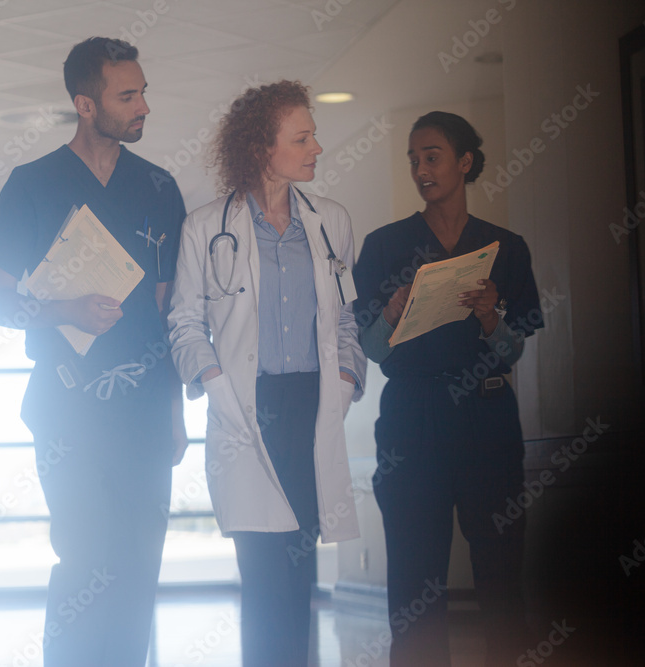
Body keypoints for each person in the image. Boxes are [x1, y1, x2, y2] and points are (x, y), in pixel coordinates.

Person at [0, 37, 187, 666]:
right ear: (86, 105)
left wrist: (176, 412)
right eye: (129, 95)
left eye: (144, 91)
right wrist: (65, 310)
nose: (144, 104)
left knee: (141, 555)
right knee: (85, 553)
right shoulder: (31, 185)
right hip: (66, 405)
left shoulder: (158, 188)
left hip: (147, 406)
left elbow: (168, 310)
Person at [168, 80, 366, 667]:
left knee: (299, 569)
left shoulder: (330, 222)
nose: (316, 148)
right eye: (301, 138)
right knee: (260, 574)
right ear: (261, 148)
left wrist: (348, 381)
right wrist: (211, 382)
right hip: (244, 410)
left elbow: (347, 320)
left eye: (313, 135)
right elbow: (183, 323)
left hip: (311, 406)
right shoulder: (206, 228)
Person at [352, 111, 542, 666]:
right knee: (415, 576)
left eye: (431, 156)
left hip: (487, 414)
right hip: (411, 417)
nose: (420, 168)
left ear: (464, 162)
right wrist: (389, 313)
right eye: (413, 159)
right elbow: (373, 350)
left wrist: (489, 316)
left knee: (501, 570)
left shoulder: (505, 248)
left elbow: (512, 353)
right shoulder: (385, 246)